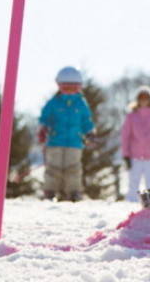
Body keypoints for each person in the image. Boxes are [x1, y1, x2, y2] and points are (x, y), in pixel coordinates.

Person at [38, 66, 95, 201]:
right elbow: (44, 117)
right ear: (59, 86)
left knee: (73, 168)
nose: (69, 92)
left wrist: (90, 132)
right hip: (55, 141)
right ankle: (50, 191)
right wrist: (43, 128)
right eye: (66, 88)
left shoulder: (81, 103)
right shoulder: (54, 102)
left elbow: (86, 120)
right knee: (53, 168)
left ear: (79, 87)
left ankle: (73, 192)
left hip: (75, 142)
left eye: (73, 89)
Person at [120, 86, 150, 202]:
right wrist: (126, 155)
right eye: (141, 98)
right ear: (138, 100)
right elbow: (125, 137)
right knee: (133, 184)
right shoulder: (131, 117)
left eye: (146, 98)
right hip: (135, 156)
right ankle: (130, 207)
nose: (144, 100)